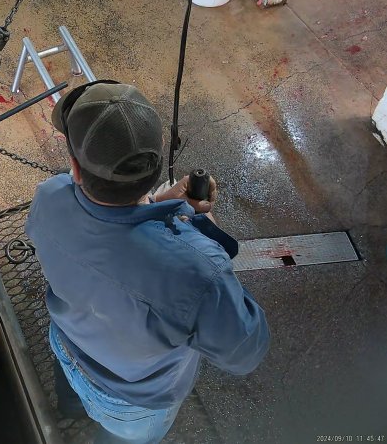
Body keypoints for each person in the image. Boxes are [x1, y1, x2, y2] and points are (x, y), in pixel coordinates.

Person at [25, 81, 270, 444]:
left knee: (74, 392)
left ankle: (73, 406)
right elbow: (244, 352)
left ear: (75, 170)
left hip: (68, 345)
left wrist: (159, 206)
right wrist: (201, 241)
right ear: (154, 168)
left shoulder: (49, 197)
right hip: (129, 402)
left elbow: (108, 234)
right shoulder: (198, 271)